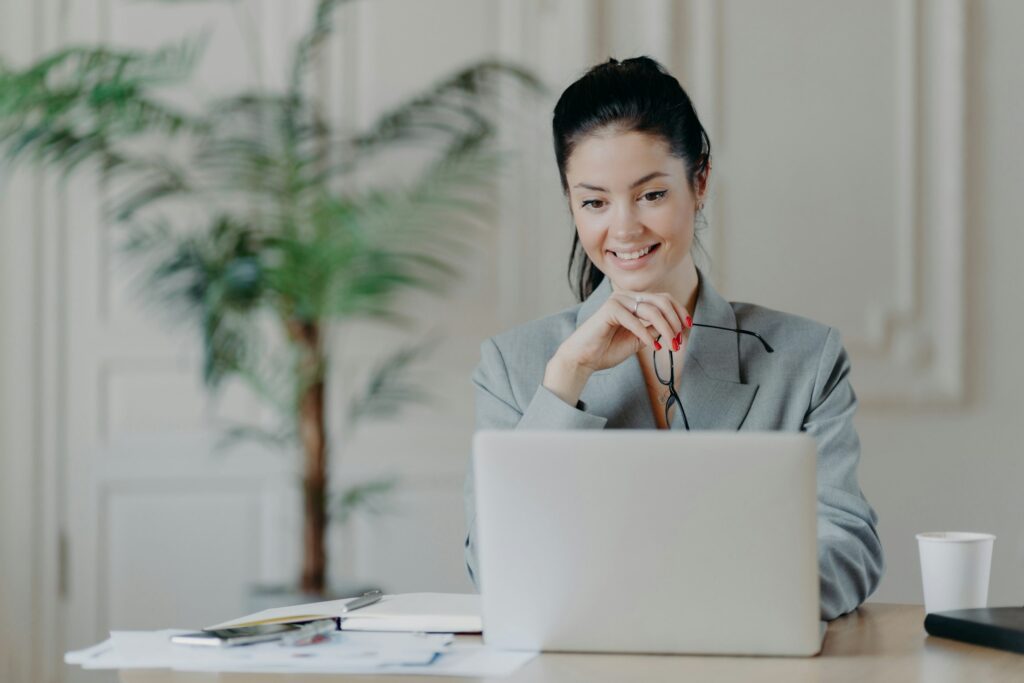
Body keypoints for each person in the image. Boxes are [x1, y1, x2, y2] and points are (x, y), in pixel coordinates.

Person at [463, 56, 884, 621]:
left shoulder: (805, 358)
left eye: (651, 195)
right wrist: (566, 379)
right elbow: (495, 568)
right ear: (571, 203)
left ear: (699, 182)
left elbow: (847, 546)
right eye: (594, 202)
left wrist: (706, 608)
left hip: (748, 652)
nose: (624, 228)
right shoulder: (513, 366)